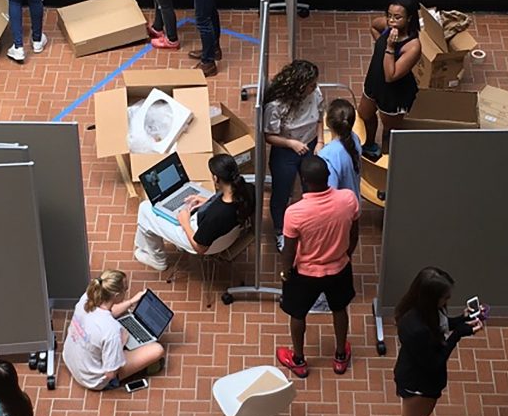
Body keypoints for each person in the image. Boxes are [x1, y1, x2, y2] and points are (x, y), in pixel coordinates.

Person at [390, 267, 484, 416]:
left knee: (420, 412)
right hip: (418, 380)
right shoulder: (415, 328)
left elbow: (441, 326)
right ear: (430, 297)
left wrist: (461, 320)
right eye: (445, 296)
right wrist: (459, 335)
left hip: (427, 377)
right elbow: (434, 361)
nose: (448, 300)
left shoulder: (429, 310)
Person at [275, 156, 359, 379]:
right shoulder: (348, 199)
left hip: (305, 273)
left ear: (304, 180)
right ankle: (340, 355)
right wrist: (345, 255)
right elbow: (354, 233)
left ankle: (299, 360)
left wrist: (285, 272)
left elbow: (289, 250)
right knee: (339, 309)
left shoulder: (295, 212)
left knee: (298, 313)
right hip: (340, 268)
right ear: (327, 176)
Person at [134, 153, 254, 271]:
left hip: (203, 241)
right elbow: (227, 206)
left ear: (216, 178)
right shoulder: (248, 189)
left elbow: (200, 248)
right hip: (227, 236)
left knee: (145, 209)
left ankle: (158, 260)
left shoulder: (215, 216)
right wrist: (208, 202)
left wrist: (185, 222)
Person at [62, 270, 165, 390]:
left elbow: (108, 312)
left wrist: (131, 302)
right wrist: (121, 343)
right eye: (125, 289)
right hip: (92, 379)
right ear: (116, 296)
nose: (126, 291)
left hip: (70, 359)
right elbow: (110, 373)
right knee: (157, 349)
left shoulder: (87, 297)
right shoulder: (111, 330)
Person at [263, 59, 324, 250]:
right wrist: (291, 143)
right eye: (311, 85)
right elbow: (269, 136)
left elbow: (320, 118)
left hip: (311, 145)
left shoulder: (316, 93)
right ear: (299, 87)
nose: (315, 87)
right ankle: (281, 230)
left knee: (311, 190)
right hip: (285, 151)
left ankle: (307, 226)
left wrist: (320, 141)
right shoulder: (276, 105)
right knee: (281, 192)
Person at [358, 0, 422, 160]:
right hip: (374, 81)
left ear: (409, 18)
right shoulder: (386, 27)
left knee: (390, 129)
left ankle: (387, 156)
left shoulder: (413, 46)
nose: (392, 21)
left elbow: (391, 76)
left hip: (394, 93)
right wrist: (379, 41)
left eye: (397, 17)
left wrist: (389, 47)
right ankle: (370, 144)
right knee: (365, 114)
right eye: (389, 15)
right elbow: (373, 26)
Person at [318, 98, 362, 199]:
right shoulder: (355, 139)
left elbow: (330, 193)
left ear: (327, 122)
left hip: (342, 211)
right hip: (354, 202)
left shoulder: (327, 156)